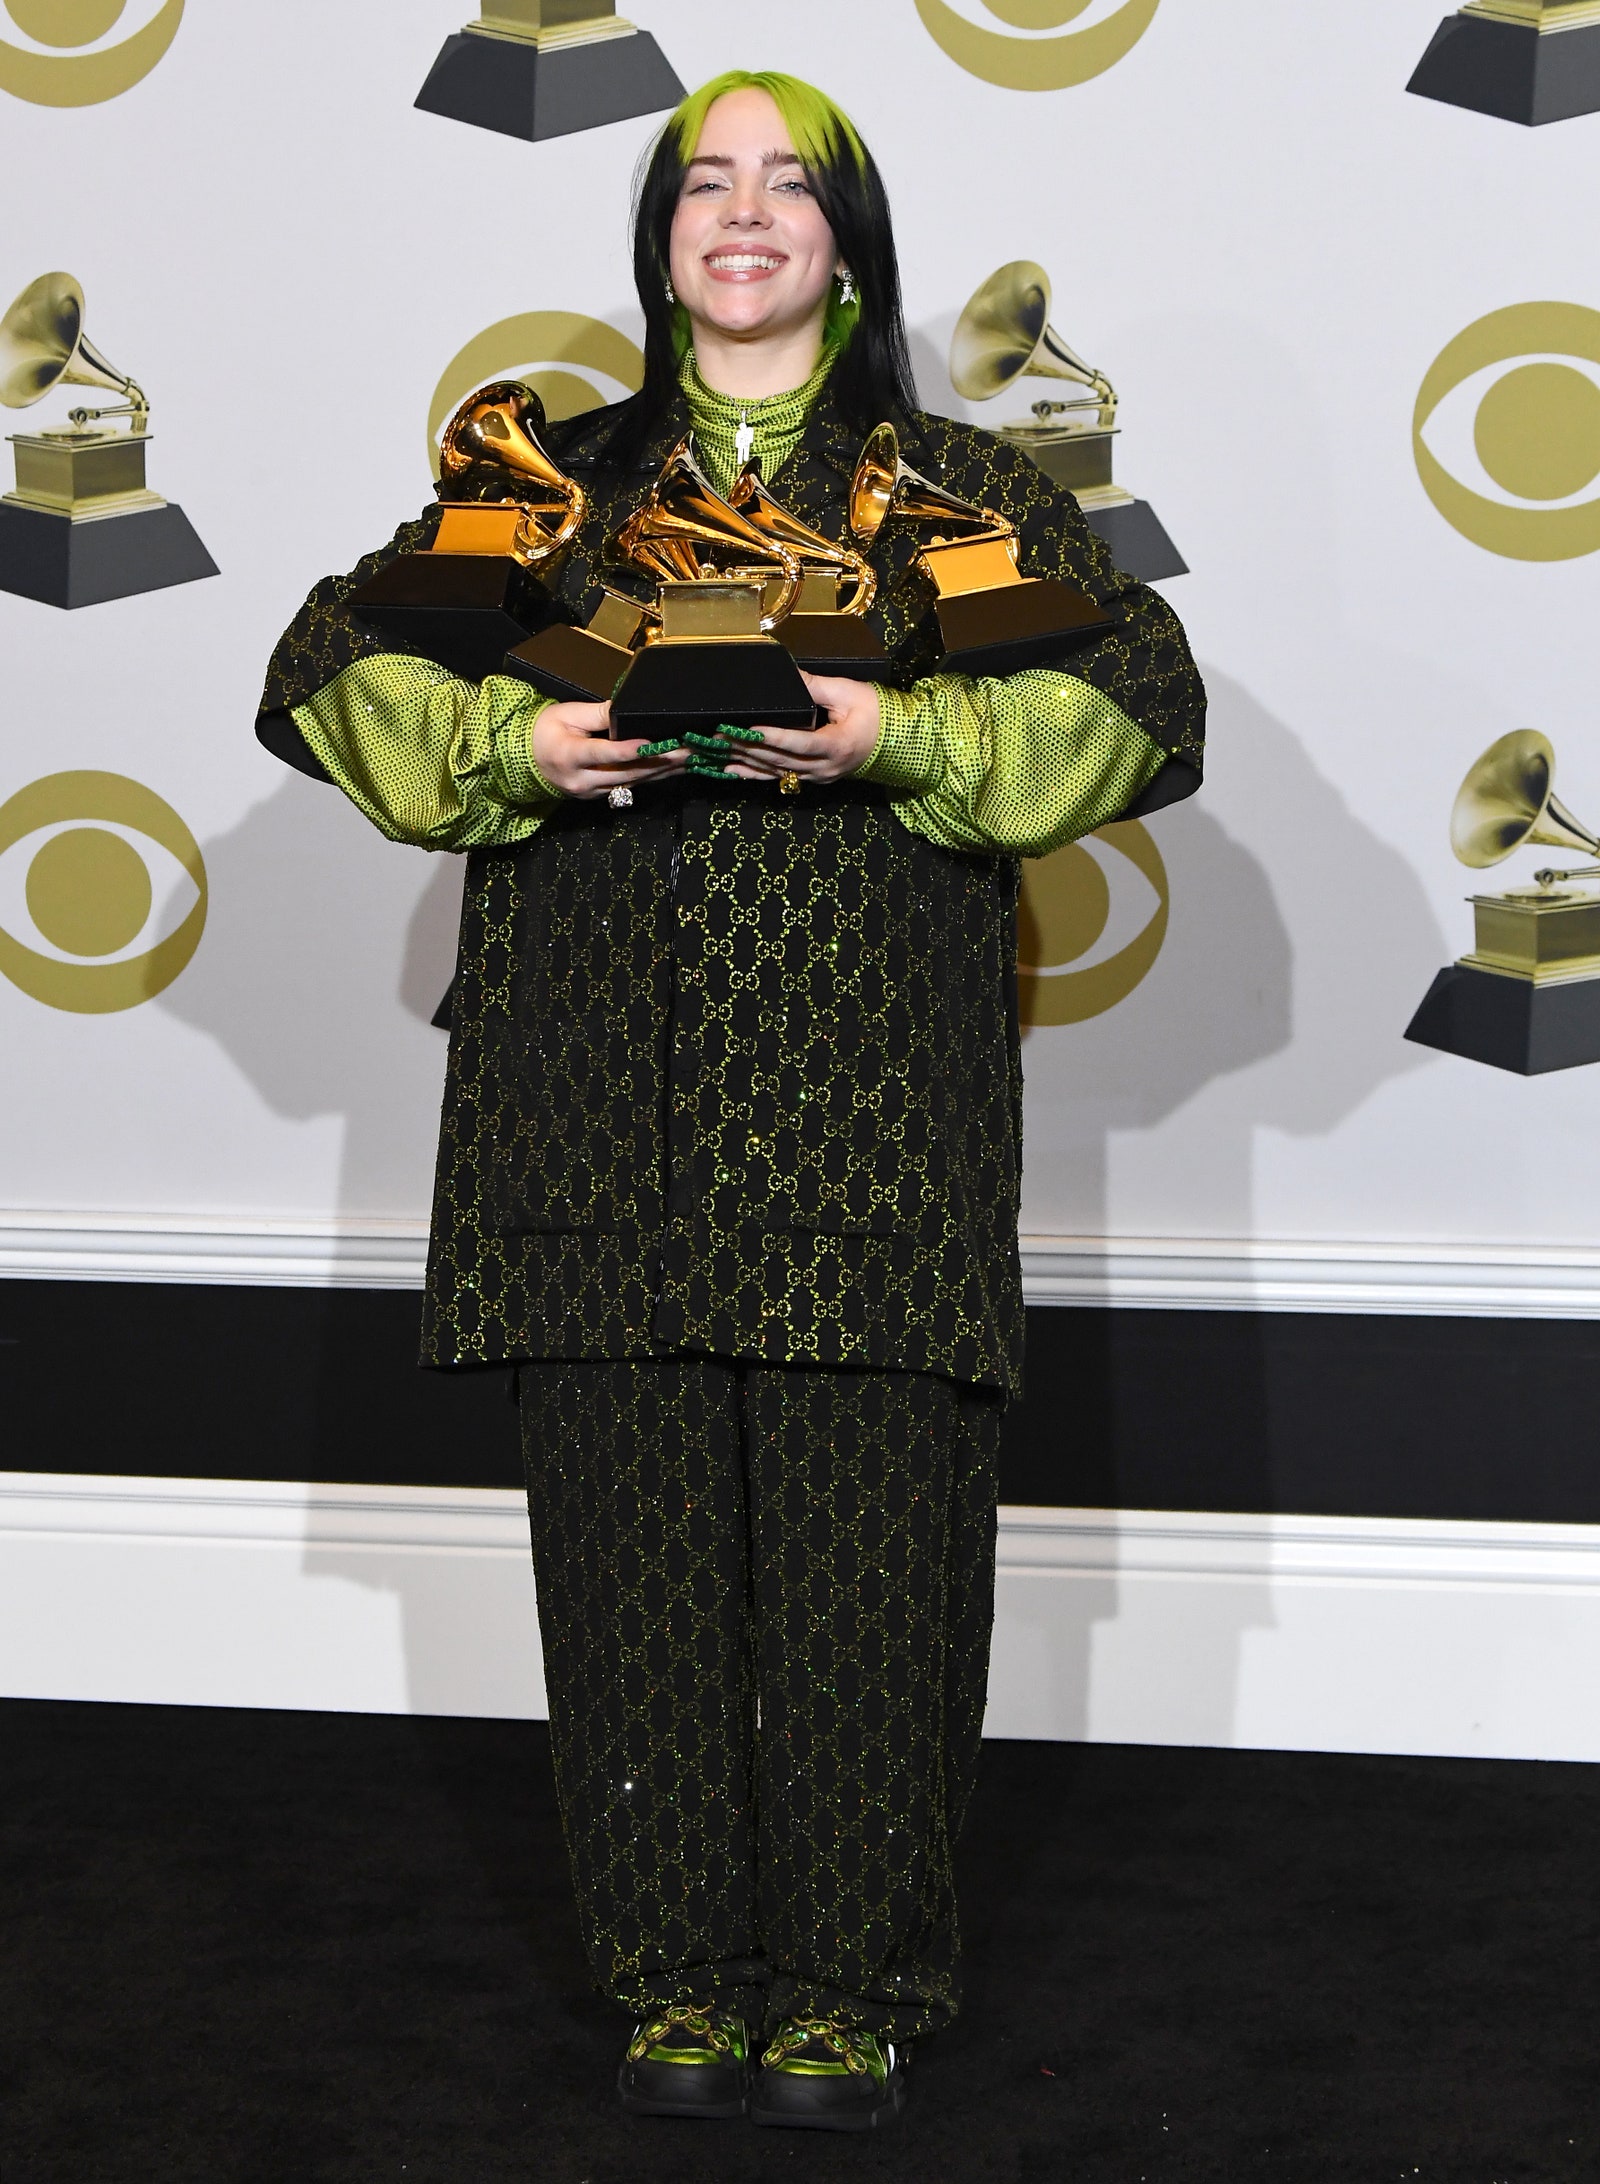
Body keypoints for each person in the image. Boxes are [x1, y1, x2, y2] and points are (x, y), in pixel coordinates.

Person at [256, 68, 1205, 2134]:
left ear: (848, 244)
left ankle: (847, 1991)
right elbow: (327, 663)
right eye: (705, 184)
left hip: (872, 1126)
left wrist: (897, 732)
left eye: (788, 185)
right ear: (660, 240)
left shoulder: (954, 496)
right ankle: (674, 1979)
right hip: (590, 1119)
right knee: (627, 1578)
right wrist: (524, 749)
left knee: (875, 1584)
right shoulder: (539, 483)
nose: (743, 213)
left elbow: (1135, 707)